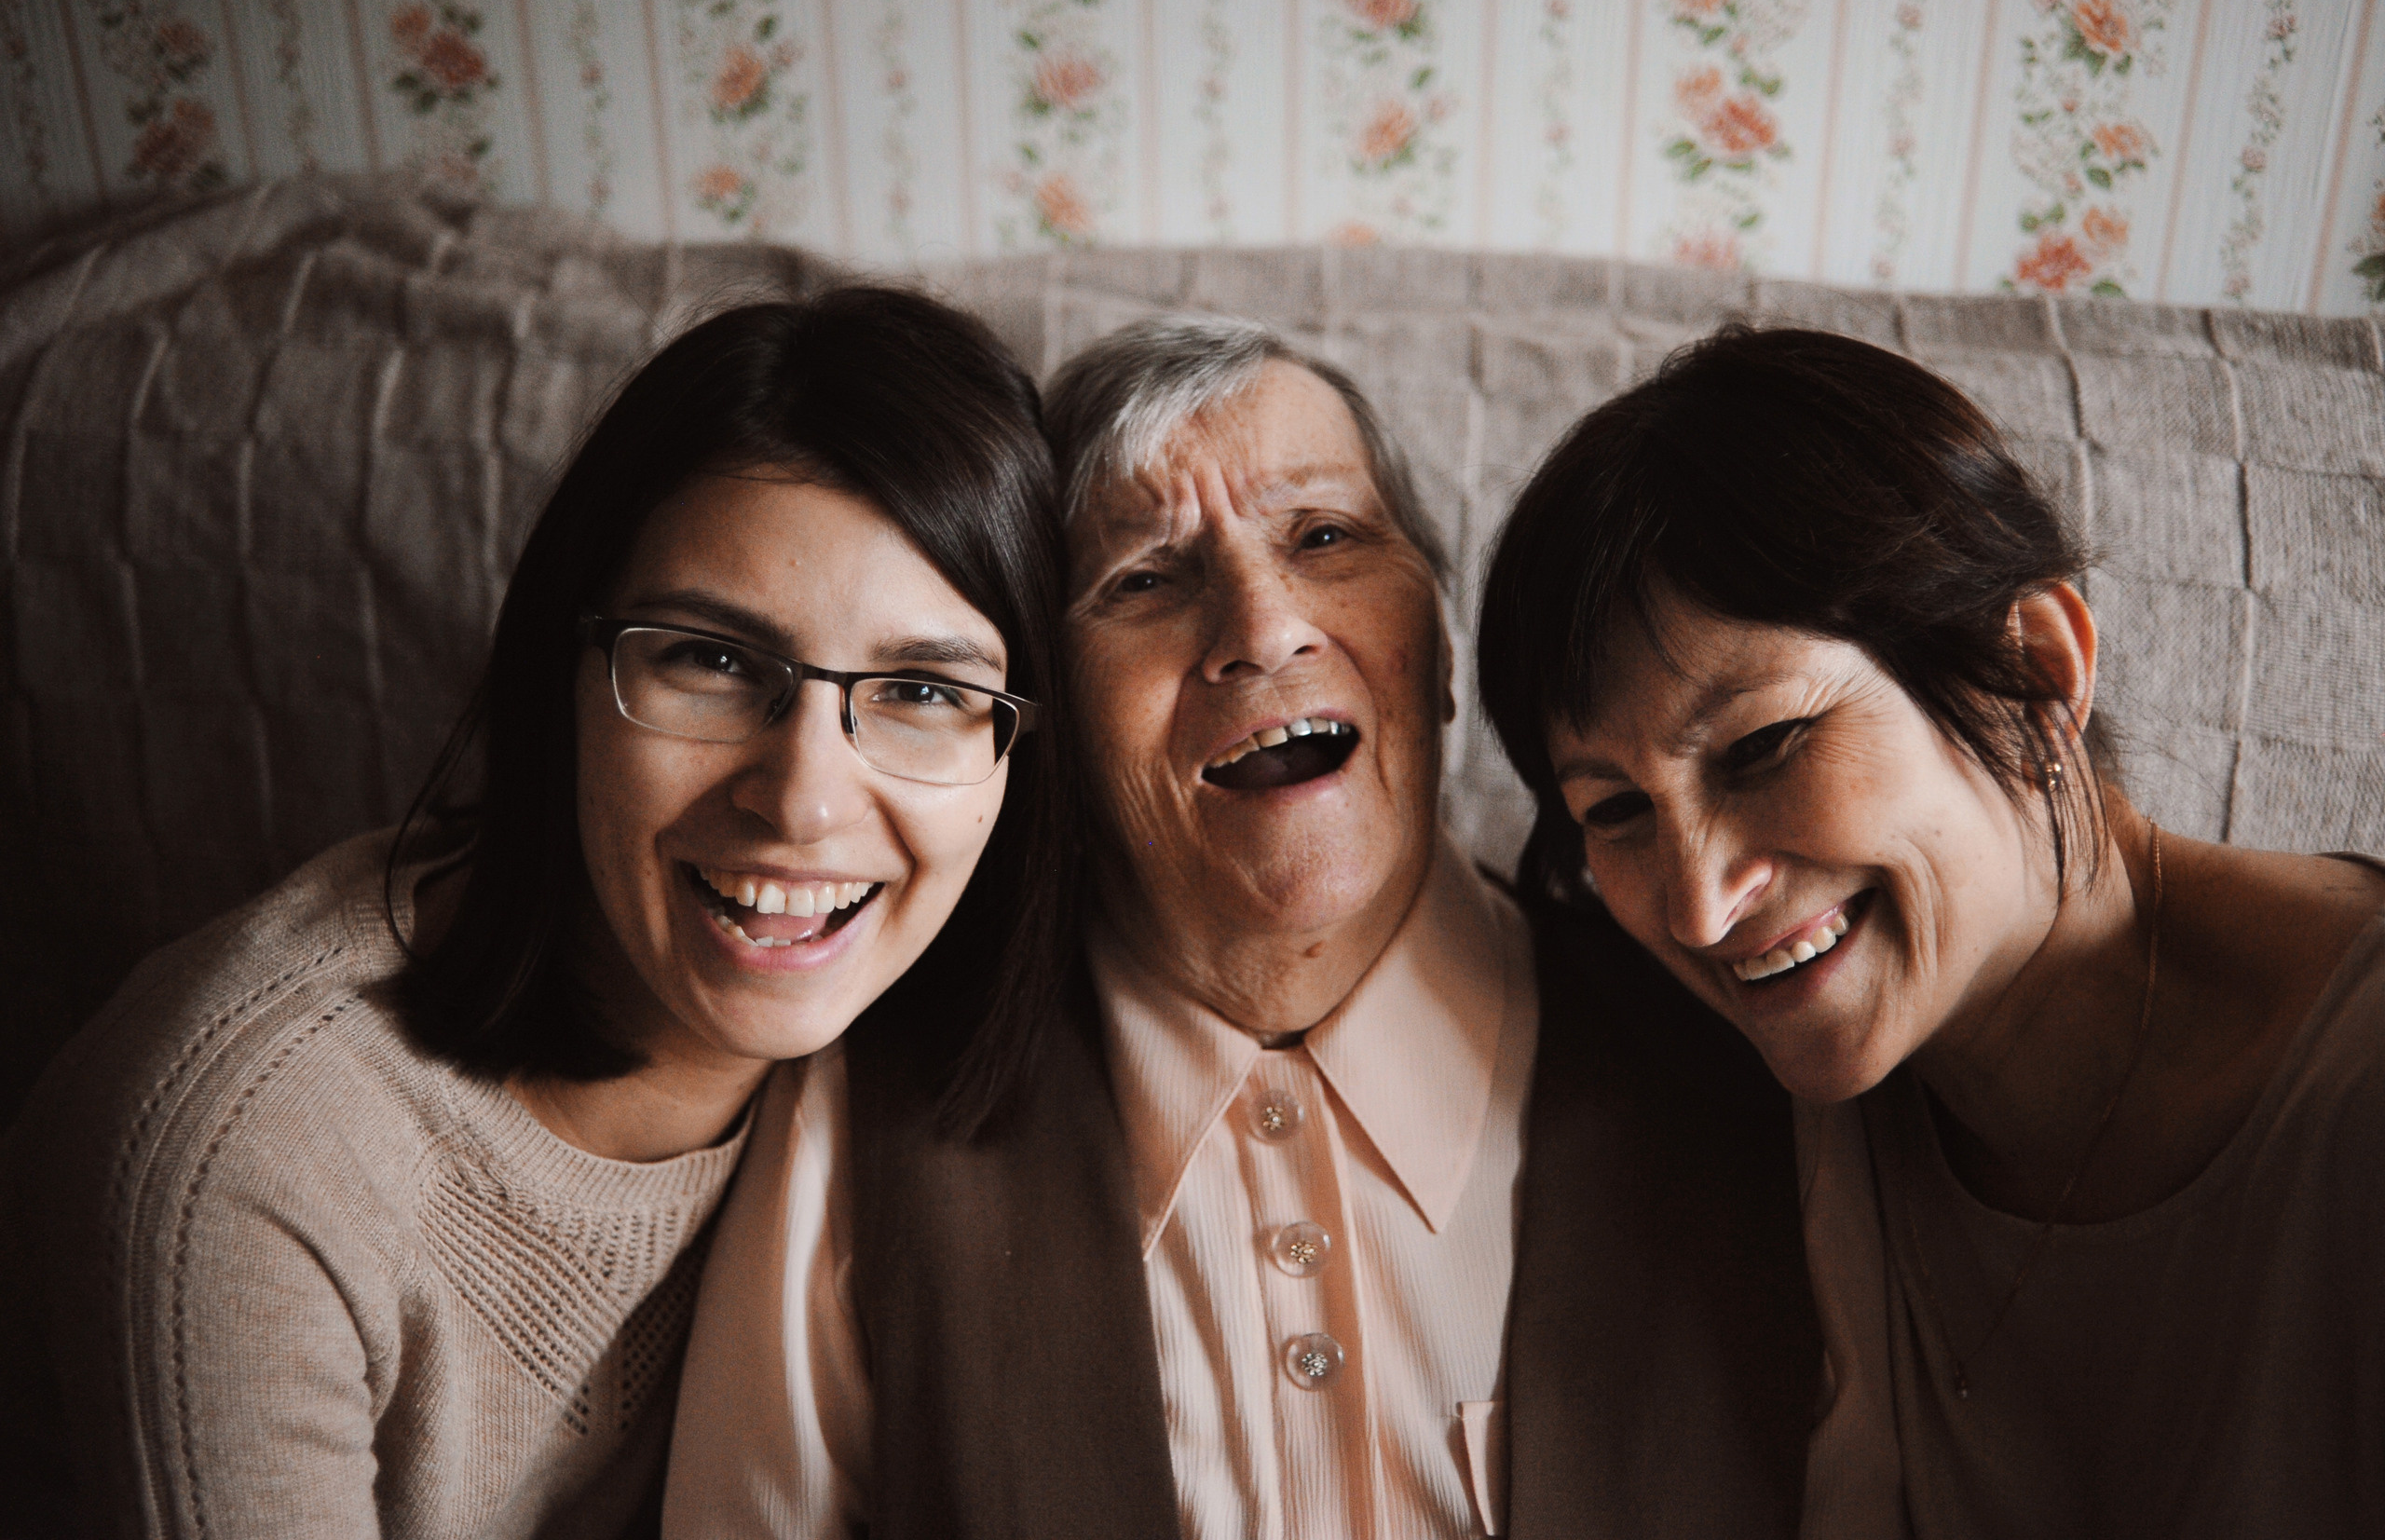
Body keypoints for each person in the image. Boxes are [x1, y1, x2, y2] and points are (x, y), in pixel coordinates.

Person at [664, 314, 1820, 1538]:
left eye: (1325, 536)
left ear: (1441, 651)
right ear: (1041, 721)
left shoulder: (1745, 1059)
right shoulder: (858, 1120)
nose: (1265, 630)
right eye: (1146, 581)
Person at [0, 286, 1074, 1539]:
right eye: (714, 662)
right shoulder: (254, 1161)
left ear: (1019, 760)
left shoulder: (950, 1059)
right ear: (559, 675)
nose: (804, 803)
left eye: (921, 690)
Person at [1475, 324, 2385, 1539]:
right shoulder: (1780, 1115)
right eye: (1619, 812)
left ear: (2038, 670)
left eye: (1762, 745)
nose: (1698, 906)